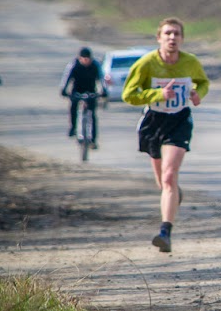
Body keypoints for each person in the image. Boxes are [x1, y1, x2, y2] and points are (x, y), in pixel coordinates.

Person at [121, 17, 210, 253]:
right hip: (154, 122)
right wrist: (158, 94)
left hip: (179, 120)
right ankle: (173, 194)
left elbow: (202, 82)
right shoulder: (146, 63)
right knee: (163, 183)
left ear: (182, 38)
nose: (172, 38)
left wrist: (198, 94)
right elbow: (128, 95)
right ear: (159, 38)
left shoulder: (190, 62)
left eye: (176, 34)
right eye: (168, 33)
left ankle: (165, 233)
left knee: (169, 176)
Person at [59, 47, 106, 146]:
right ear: (79, 58)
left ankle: (93, 140)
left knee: (92, 115)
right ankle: (73, 128)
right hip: (77, 90)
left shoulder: (95, 65)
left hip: (91, 91)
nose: (86, 61)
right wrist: (63, 89)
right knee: (73, 107)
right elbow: (66, 78)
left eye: (88, 59)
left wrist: (103, 90)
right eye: (83, 59)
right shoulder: (73, 65)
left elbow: (102, 79)